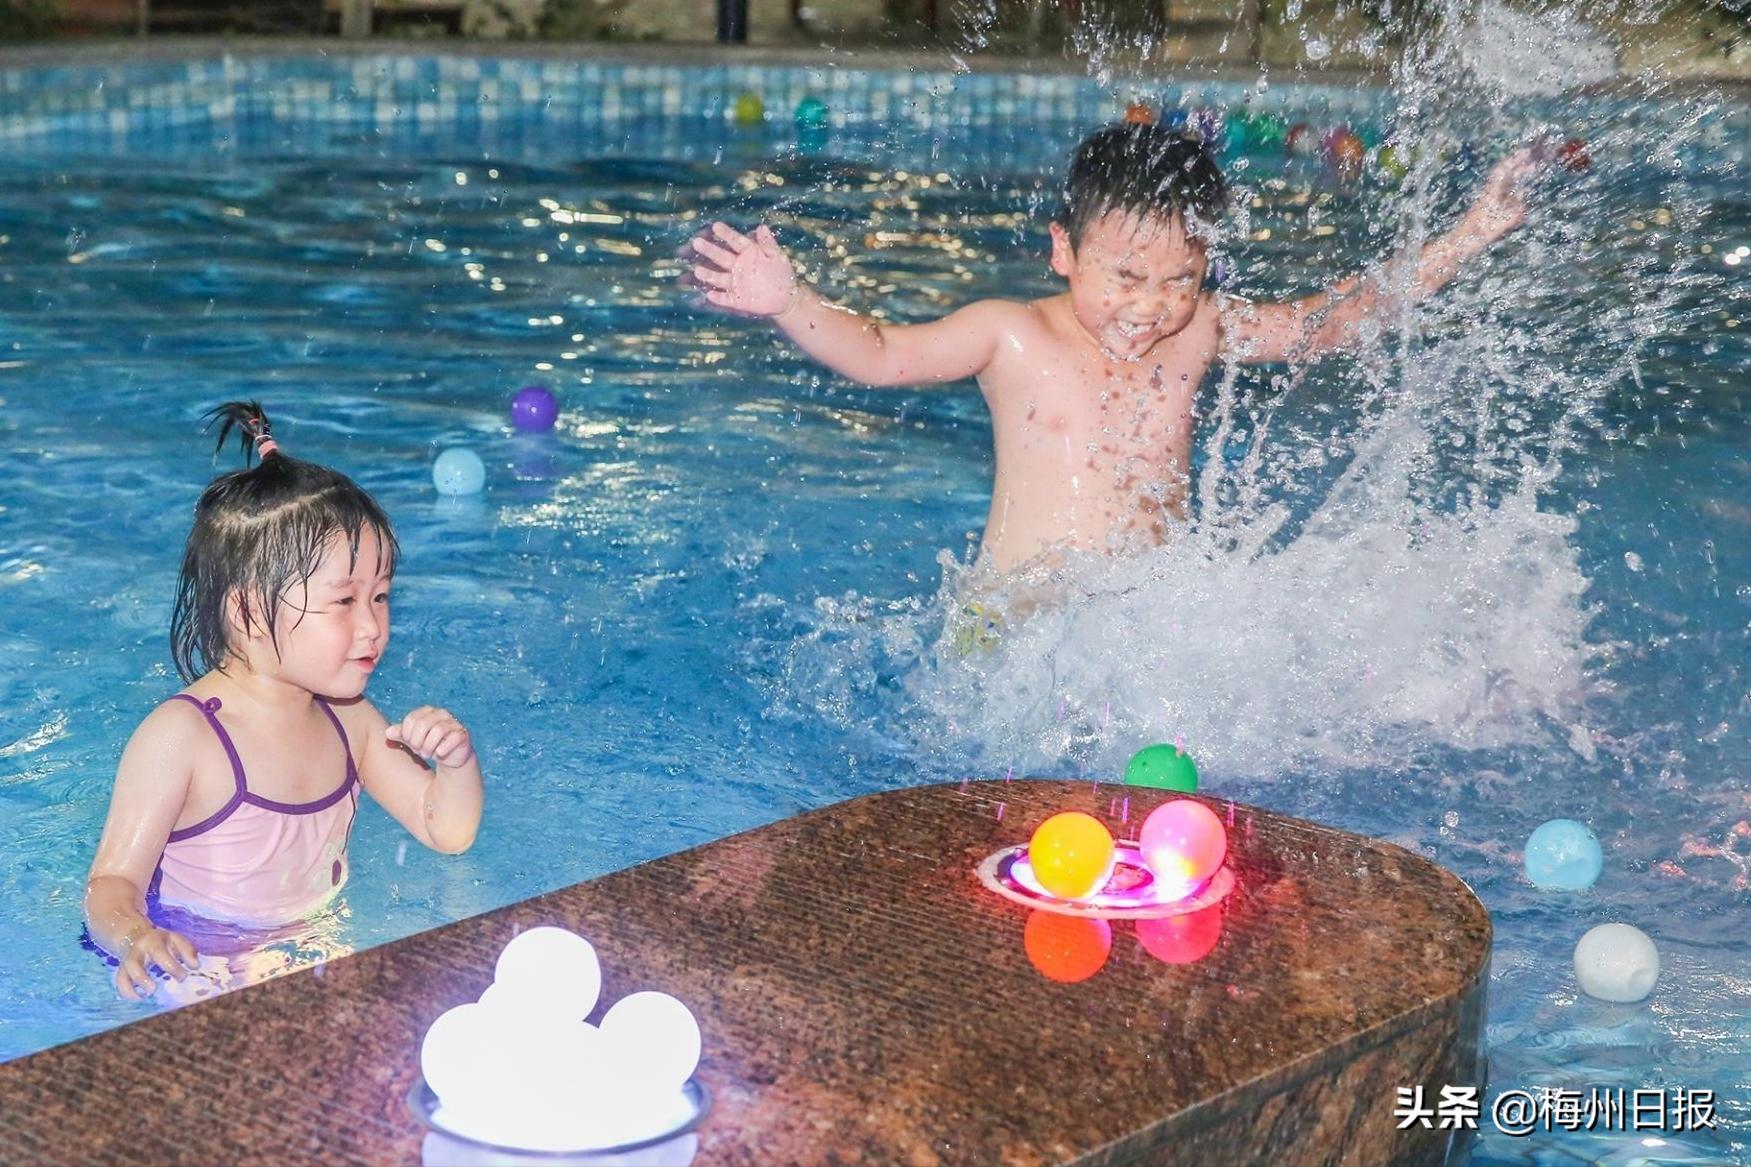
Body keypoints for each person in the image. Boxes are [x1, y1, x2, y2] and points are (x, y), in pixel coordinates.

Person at [683, 121, 1539, 576]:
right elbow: (878, 353)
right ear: (1063, 251)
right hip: (1021, 623)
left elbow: (1331, 321)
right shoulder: (1008, 333)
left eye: (1179, 279)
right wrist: (788, 301)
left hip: (1145, 618)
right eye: (1125, 277)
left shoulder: (1200, 326)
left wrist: (1470, 235)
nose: (1149, 307)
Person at [84, 402, 485, 1000]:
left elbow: (446, 831)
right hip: (199, 966)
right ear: (247, 611)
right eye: (344, 602)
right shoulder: (184, 737)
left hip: (314, 948)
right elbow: (111, 883)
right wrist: (136, 936)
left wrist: (455, 764)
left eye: (380, 597)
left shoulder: (353, 723)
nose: (374, 626)